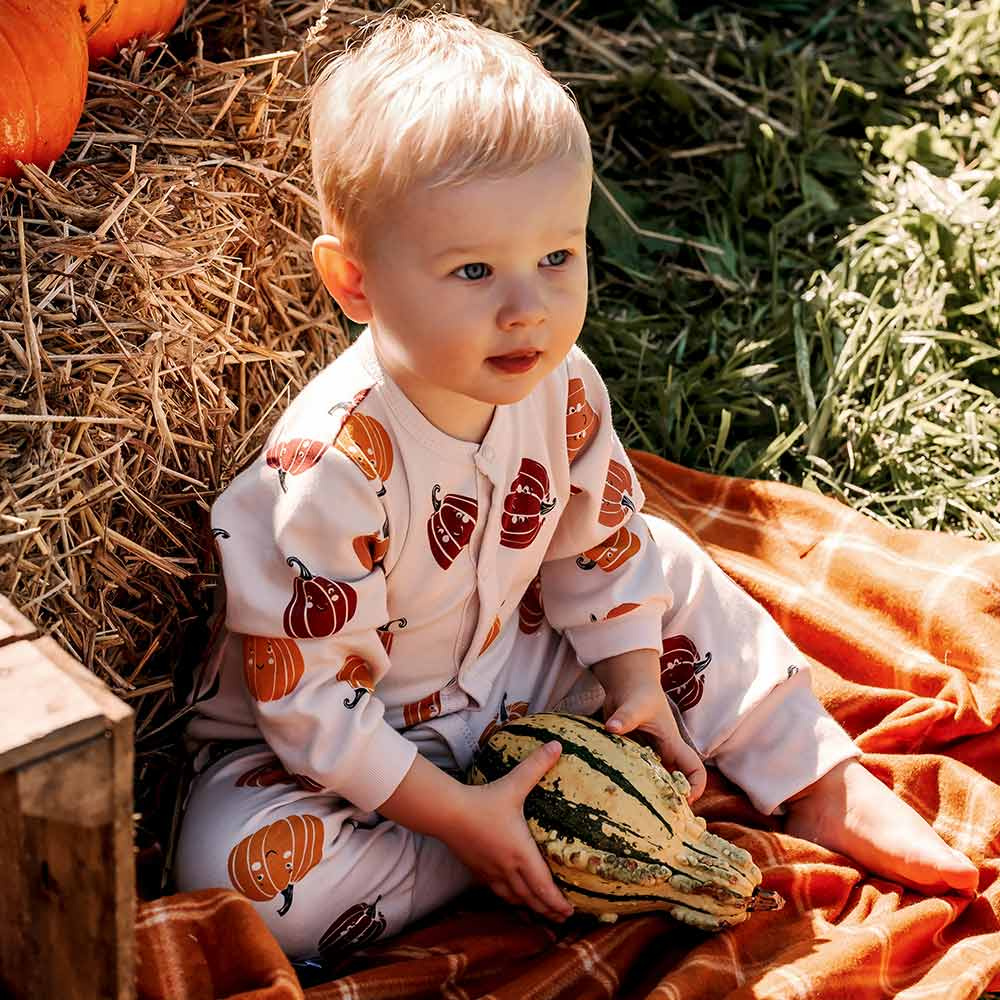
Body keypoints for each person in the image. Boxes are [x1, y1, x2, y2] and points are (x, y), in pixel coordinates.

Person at [173, 7, 978, 963]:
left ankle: (808, 773)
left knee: (664, 563)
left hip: (509, 671)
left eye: (557, 257)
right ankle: (505, 840)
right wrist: (459, 813)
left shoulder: (563, 389)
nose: (528, 308)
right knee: (241, 882)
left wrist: (635, 684)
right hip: (356, 745)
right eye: (474, 270)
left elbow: (597, 546)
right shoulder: (328, 474)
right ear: (355, 282)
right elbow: (310, 707)